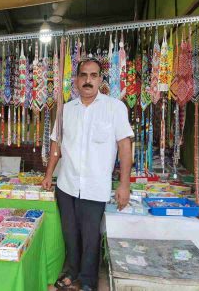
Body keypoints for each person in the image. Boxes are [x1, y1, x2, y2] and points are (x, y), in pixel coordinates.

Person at [42, 57, 133, 291]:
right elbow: (56, 145)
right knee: (70, 234)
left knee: (91, 239)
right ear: (76, 80)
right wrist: (48, 174)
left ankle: (89, 282)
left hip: (95, 187)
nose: (88, 80)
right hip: (67, 185)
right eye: (83, 75)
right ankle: (71, 273)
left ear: (101, 80)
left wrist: (124, 185)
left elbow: (124, 147)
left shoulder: (114, 108)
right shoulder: (66, 110)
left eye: (93, 76)